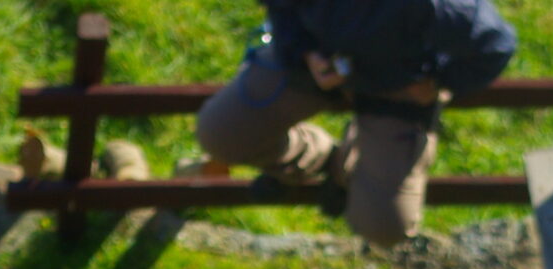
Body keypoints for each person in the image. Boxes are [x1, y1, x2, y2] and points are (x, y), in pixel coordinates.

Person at [194, 0, 518, 249]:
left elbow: (496, 45)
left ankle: (349, 170)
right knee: (221, 133)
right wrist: (304, 51)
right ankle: (321, 159)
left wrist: (438, 82)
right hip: (317, 57)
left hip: (399, 82)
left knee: (384, 227)